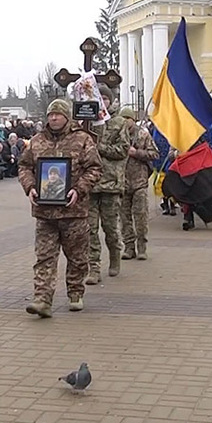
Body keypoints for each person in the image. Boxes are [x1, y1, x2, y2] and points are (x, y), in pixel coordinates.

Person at [18, 98, 102, 318]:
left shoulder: (82, 140)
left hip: (74, 211)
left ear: (66, 117)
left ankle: (75, 292)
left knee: (77, 256)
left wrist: (79, 189)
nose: (53, 118)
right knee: (44, 256)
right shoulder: (36, 141)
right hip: (45, 212)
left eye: (57, 114)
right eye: (50, 115)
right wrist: (30, 188)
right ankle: (42, 299)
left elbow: (94, 168)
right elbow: (24, 167)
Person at [87, 85, 130, 284]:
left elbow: (122, 150)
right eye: (99, 98)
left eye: (105, 98)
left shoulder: (119, 122)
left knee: (111, 227)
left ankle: (114, 256)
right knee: (89, 229)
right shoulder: (88, 121)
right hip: (89, 184)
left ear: (110, 101)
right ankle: (93, 267)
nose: (102, 101)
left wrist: (100, 147)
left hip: (111, 183)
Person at [120, 108, 158, 261]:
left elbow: (155, 153)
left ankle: (142, 246)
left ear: (132, 119)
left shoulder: (143, 134)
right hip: (122, 182)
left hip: (139, 182)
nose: (124, 122)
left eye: (127, 119)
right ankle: (129, 247)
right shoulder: (117, 136)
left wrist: (137, 153)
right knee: (124, 217)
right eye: (122, 119)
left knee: (140, 216)